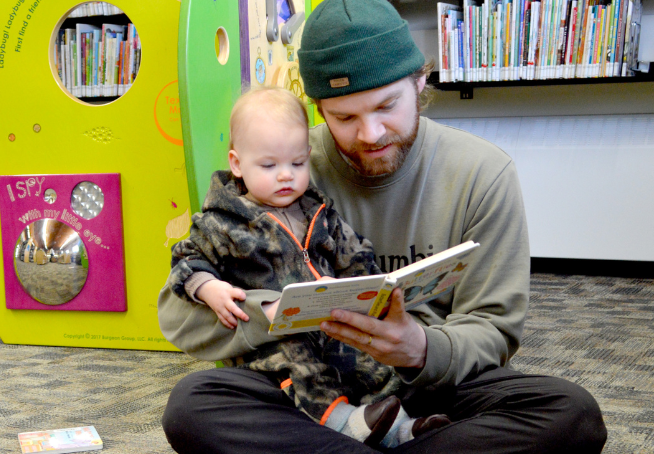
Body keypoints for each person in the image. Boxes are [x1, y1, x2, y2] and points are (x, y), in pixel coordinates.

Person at [159, 0, 608, 452]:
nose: (370, 133)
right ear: (319, 109)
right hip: (310, 379)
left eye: (387, 105)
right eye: (344, 117)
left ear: (420, 81)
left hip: (427, 383)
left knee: (571, 415)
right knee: (193, 405)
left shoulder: (482, 173)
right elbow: (179, 315)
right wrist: (272, 312)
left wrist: (419, 349)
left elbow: (495, 328)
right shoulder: (284, 161)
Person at [167, 87, 450, 448]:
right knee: (301, 366)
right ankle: (345, 424)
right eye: (269, 166)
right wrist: (208, 287)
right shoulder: (222, 223)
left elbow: (355, 254)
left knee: (373, 362)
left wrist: (370, 286)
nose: (286, 176)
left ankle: (400, 428)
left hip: (334, 326)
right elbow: (185, 260)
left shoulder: (318, 211)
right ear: (237, 164)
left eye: (297, 164)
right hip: (276, 343)